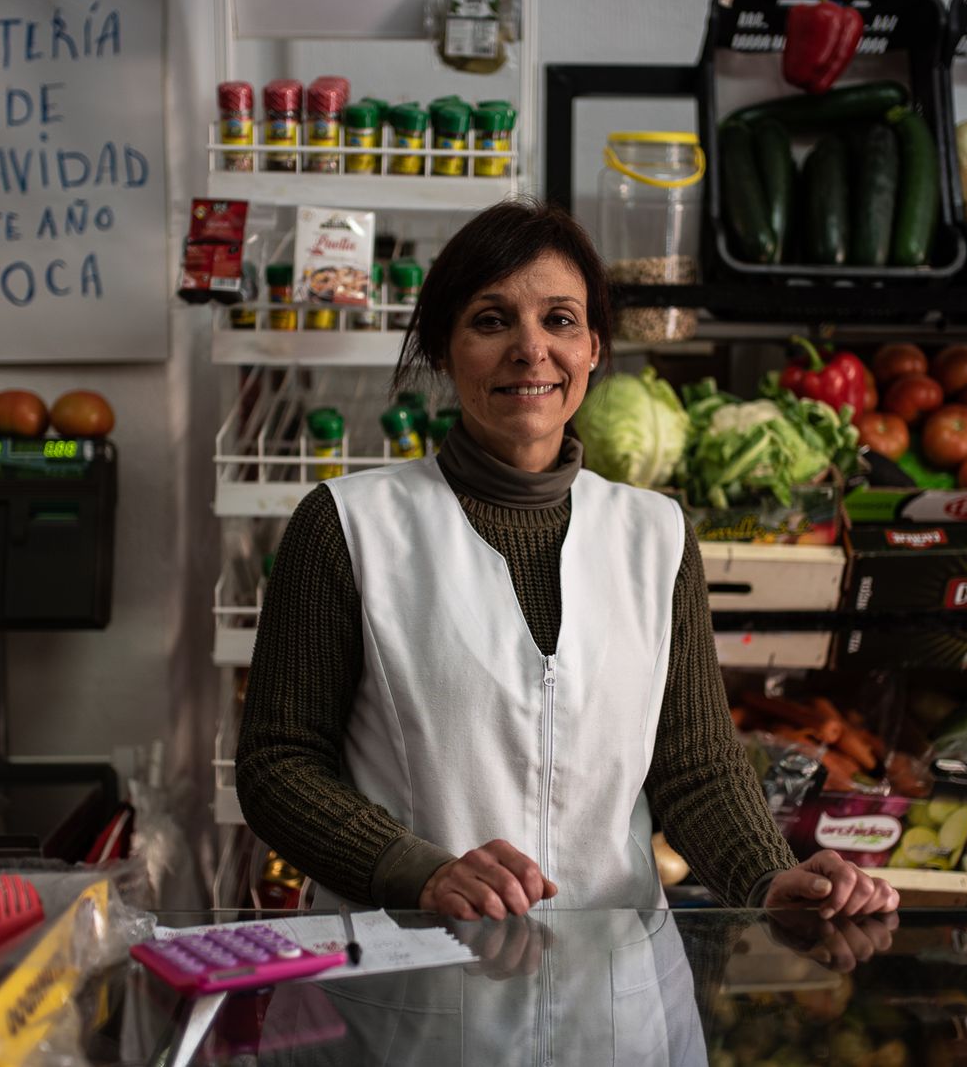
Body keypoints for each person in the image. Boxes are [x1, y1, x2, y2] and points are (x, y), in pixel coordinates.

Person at [236, 199, 898, 922]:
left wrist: (772, 879)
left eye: (560, 320)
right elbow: (279, 764)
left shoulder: (656, 535)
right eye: (491, 321)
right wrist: (414, 870)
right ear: (440, 347)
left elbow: (697, 768)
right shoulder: (347, 525)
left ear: (593, 349)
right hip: (416, 978)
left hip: (611, 991)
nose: (531, 348)